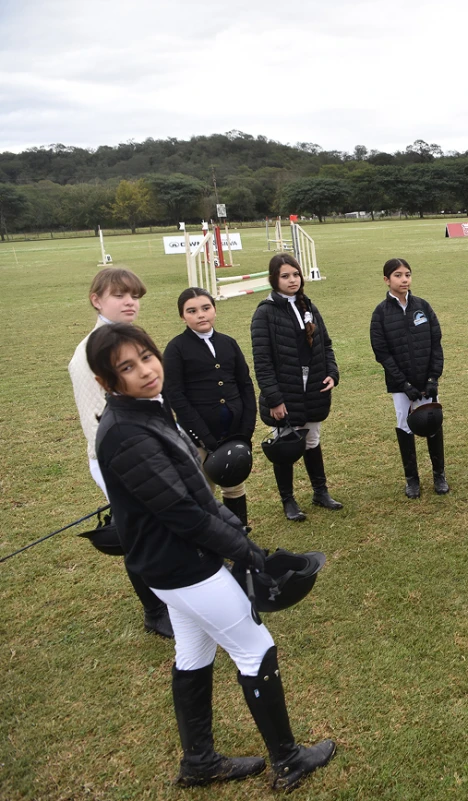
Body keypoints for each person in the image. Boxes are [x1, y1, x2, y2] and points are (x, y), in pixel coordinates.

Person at [88, 323, 335, 791]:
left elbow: (194, 491)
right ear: (106, 381)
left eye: (145, 356)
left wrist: (234, 528)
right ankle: (288, 762)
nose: (144, 370)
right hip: (183, 568)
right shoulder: (126, 432)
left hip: (173, 567)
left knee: (194, 653)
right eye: (126, 366)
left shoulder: (148, 412)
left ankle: (199, 762)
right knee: (255, 648)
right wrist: (247, 553)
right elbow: (182, 513)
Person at [67, 267, 173, 639]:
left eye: (135, 296)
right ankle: (154, 610)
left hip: (149, 449)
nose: (130, 303)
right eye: (119, 295)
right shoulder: (90, 354)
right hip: (121, 461)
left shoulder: (123, 340)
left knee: (156, 526)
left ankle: (169, 595)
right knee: (138, 532)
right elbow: (99, 425)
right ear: (97, 300)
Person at [250, 254, 343, 522]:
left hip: (313, 386)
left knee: (312, 440)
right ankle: (288, 500)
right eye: (285, 276)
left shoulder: (309, 307)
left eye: (295, 274)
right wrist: (274, 399)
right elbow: (262, 361)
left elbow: (325, 345)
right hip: (285, 389)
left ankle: (320, 492)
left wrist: (332, 373)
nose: (292, 280)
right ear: (274, 280)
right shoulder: (264, 313)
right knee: (286, 444)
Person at [163, 288, 257, 526]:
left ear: (214, 309)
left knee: (234, 486)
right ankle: (209, 540)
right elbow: (176, 396)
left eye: (206, 308)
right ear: (183, 317)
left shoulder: (228, 343)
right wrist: (204, 437)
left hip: (233, 432)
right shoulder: (176, 348)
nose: (201, 315)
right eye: (192, 311)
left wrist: (246, 429)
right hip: (200, 437)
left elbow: (245, 385)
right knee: (204, 490)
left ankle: (239, 532)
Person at [370, 258, 448, 498]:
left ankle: (439, 475)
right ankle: (412, 479)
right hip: (401, 384)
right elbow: (381, 352)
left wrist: (433, 377)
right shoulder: (380, 313)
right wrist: (403, 384)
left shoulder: (422, 306)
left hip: (427, 380)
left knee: (432, 422)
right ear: (386, 280)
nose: (404, 279)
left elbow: (436, 342)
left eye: (407, 274)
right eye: (397, 275)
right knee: (405, 425)